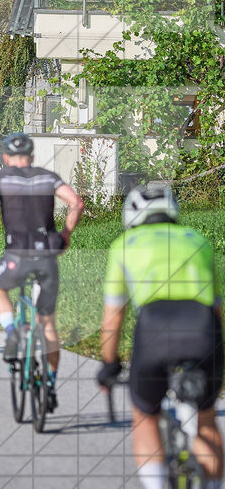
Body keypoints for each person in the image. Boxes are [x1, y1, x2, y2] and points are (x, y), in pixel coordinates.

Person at [97, 185, 224, 489]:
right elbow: (217, 309)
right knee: (205, 418)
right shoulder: (199, 241)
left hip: (155, 328)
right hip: (203, 328)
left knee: (145, 415)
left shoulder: (123, 245)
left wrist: (109, 364)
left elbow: (114, 317)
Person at [0, 132, 84, 411]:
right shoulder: (48, 176)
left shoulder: (2, 176)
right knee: (48, 325)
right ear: (31, 157)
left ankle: (12, 331)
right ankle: (51, 383)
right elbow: (76, 203)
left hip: (16, 258)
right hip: (47, 259)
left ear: (6, 157)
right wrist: (65, 235)